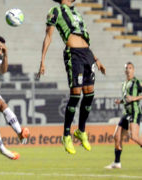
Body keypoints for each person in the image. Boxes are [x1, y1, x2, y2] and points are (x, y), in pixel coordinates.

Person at [36, 0, 106, 154]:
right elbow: (48, 36)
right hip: (73, 54)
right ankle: (66, 135)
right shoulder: (56, 10)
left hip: (87, 54)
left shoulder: (76, 13)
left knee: (89, 94)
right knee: (75, 94)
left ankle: (81, 131)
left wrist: (96, 59)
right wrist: (42, 60)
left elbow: (84, 39)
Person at [105, 62, 142, 169]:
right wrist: (120, 101)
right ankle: (117, 163)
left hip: (134, 112)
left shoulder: (137, 82)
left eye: (130, 68)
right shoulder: (124, 84)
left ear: (133, 70)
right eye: (126, 68)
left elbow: (133, 97)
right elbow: (126, 99)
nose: (128, 70)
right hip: (126, 113)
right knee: (116, 136)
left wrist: (134, 98)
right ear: (124, 71)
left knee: (134, 136)